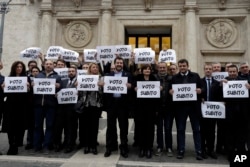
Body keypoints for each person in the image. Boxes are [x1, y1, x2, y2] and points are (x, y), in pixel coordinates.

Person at [169, 59, 203, 160]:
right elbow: (170, 90)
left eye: (184, 66)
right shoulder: (174, 77)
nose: (182, 67)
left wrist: (200, 90)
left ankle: (199, 151)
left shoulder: (195, 76)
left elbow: (202, 87)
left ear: (188, 66)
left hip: (194, 108)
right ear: (178, 67)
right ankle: (181, 150)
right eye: (181, 66)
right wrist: (171, 92)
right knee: (180, 129)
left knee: (196, 130)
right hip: (181, 108)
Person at [103, 56, 132, 158]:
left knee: (123, 126)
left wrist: (130, 86)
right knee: (110, 126)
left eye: (121, 63)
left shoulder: (127, 75)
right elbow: (105, 89)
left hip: (123, 104)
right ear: (114, 64)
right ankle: (110, 146)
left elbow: (132, 87)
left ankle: (124, 147)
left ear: (123, 64)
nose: (119, 64)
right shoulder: (108, 75)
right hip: (112, 104)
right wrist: (103, 85)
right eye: (117, 63)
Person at [1, 61, 30, 155]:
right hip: (10, 106)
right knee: (10, 127)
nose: (19, 68)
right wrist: (3, 88)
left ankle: (17, 144)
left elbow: (30, 95)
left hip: (22, 106)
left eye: (21, 66)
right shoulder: (8, 78)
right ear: (14, 68)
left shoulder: (27, 79)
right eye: (17, 66)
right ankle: (11, 145)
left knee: (19, 127)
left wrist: (29, 88)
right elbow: (5, 94)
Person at [33, 59, 61, 152]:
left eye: (50, 64)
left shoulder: (57, 76)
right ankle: (37, 145)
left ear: (53, 65)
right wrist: (33, 85)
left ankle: (46, 145)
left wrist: (58, 87)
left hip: (50, 105)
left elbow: (60, 91)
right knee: (37, 126)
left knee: (49, 126)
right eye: (47, 64)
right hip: (38, 104)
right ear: (44, 65)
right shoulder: (38, 75)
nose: (48, 65)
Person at [222, 64, 249, 160]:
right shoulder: (224, 81)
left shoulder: (244, 81)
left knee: (241, 135)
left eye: (234, 71)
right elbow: (216, 94)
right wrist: (220, 86)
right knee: (229, 135)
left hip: (242, 114)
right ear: (228, 72)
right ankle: (231, 154)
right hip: (229, 114)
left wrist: (249, 88)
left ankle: (241, 154)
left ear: (237, 72)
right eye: (230, 72)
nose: (232, 73)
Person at [134, 64, 160, 159]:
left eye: (149, 69)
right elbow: (132, 88)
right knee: (141, 129)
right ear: (142, 70)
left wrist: (159, 89)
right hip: (140, 108)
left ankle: (149, 148)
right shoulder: (137, 78)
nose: (147, 70)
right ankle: (141, 148)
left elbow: (157, 96)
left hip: (151, 109)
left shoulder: (154, 79)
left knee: (150, 129)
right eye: (145, 69)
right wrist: (134, 89)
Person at [79, 62, 103, 155]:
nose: (95, 68)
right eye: (93, 67)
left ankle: (93, 146)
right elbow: (81, 93)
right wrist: (79, 86)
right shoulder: (84, 78)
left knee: (94, 126)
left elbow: (103, 94)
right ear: (90, 69)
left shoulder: (101, 79)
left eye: (96, 67)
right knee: (86, 126)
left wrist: (101, 87)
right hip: (86, 105)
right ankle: (87, 145)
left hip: (96, 106)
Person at [200, 64, 223, 159]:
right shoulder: (199, 82)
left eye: (210, 69)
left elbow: (220, 96)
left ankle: (210, 149)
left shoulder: (217, 83)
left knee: (212, 131)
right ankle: (202, 149)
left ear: (212, 71)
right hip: (202, 111)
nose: (208, 70)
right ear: (204, 70)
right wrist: (200, 98)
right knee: (203, 131)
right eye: (206, 69)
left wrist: (222, 103)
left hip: (213, 111)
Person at [54, 66, 78, 153]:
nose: (71, 73)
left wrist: (79, 89)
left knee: (70, 128)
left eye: (73, 71)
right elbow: (58, 92)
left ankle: (69, 144)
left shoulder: (78, 82)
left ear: (76, 73)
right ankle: (58, 144)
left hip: (72, 109)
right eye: (69, 71)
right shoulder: (63, 81)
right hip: (61, 108)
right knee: (59, 127)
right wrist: (56, 94)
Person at [154, 62, 173, 157]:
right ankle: (160, 146)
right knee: (159, 129)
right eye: (160, 67)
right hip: (158, 108)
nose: (162, 69)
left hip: (169, 108)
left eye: (163, 67)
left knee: (168, 128)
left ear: (166, 68)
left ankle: (169, 147)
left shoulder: (171, 78)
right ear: (158, 68)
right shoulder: (154, 78)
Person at [25, 66, 41, 150]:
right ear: (31, 73)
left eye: (36, 71)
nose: (35, 72)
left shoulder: (43, 80)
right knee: (31, 124)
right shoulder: (27, 81)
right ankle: (29, 142)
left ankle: (37, 141)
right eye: (33, 71)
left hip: (39, 105)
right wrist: (29, 87)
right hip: (30, 105)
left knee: (38, 125)